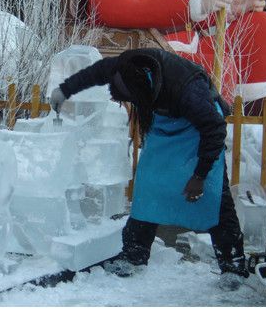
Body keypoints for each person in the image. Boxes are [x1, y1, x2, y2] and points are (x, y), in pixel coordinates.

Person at [50, 47, 249, 287]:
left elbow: (214, 129)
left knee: (215, 197)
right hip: (166, 128)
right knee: (147, 187)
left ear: (144, 92)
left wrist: (199, 175)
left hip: (199, 132)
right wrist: (64, 90)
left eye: (128, 98)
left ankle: (233, 266)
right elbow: (92, 74)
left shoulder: (187, 90)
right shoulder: (124, 66)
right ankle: (134, 254)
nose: (118, 100)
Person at [84, 0, 266, 116]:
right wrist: (194, 2)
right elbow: (119, 10)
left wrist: (233, 7)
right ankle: (221, 117)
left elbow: (192, 19)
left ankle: (251, 104)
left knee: (260, 24)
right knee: (223, 66)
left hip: (191, 48)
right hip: (157, 54)